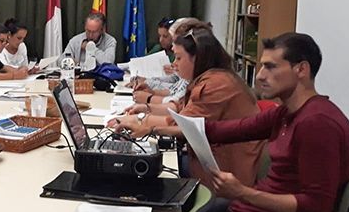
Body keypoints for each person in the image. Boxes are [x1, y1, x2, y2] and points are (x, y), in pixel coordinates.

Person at [191, 32, 349, 212]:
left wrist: (242, 192)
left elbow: (315, 208)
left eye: (270, 67)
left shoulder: (317, 124)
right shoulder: (286, 112)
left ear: (301, 70)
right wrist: (156, 125)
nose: (260, 76)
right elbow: (226, 130)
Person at [111, 27, 264, 188]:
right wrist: (145, 109)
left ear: (198, 58)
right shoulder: (207, 79)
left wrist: (143, 122)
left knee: (140, 178)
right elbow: (178, 109)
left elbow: (184, 125)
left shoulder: (215, 85)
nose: (174, 65)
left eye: (178, 58)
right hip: (210, 162)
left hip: (226, 173)